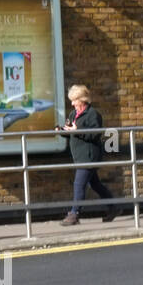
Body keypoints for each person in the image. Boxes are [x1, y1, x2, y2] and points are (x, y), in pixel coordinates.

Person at [60, 84, 116, 225]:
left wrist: (78, 130)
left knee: (79, 184)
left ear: (83, 99)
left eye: (74, 100)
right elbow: (71, 133)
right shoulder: (73, 114)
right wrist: (61, 130)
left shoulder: (93, 115)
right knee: (95, 184)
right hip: (79, 156)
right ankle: (113, 207)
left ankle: (74, 214)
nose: (72, 104)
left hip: (89, 156)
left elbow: (95, 134)